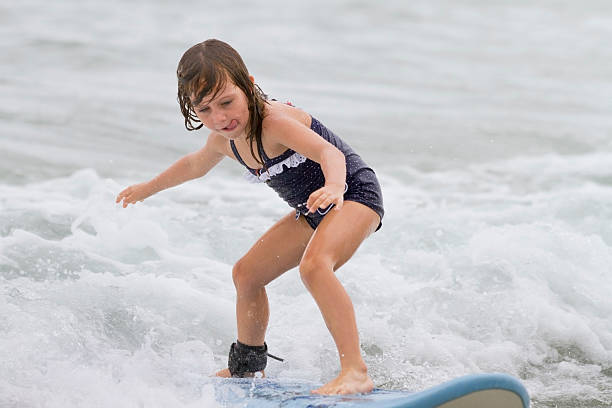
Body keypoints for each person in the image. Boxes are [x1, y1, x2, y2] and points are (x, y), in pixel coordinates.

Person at [115, 39, 384, 395]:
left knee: (315, 266)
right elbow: (194, 165)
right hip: (314, 209)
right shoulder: (223, 139)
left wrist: (334, 185)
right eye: (205, 109)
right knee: (246, 274)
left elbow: (327, 151)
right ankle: (246, 369)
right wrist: (147, 188)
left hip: (352, 193)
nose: (220, 118)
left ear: (248, 85)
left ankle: (355, 371)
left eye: (227, 102)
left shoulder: (273, 123)